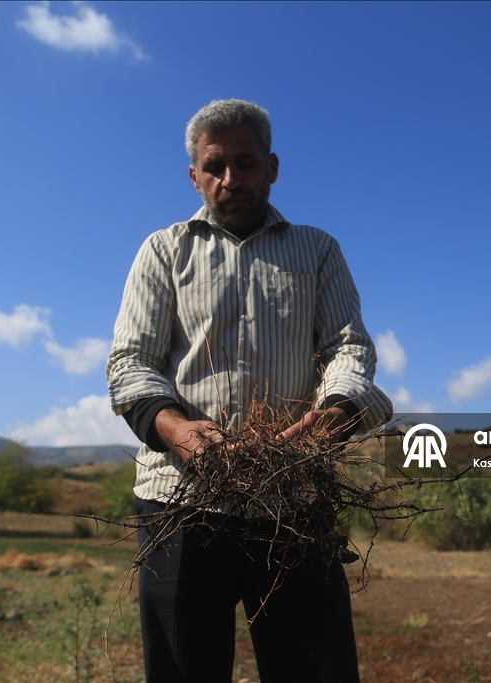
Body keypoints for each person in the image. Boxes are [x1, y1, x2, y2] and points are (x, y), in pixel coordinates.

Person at [107, 99, 391, 683]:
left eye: (246, 162)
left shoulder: (317, 250)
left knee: (316, 670)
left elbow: (349, 348)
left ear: (272, 167)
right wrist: (179, 431)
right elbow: (131, 362)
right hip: (180, 502)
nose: (230, 178)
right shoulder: (164, 251)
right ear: (194, 175)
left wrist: (332, 414)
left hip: (294, 500)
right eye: (214, 166)